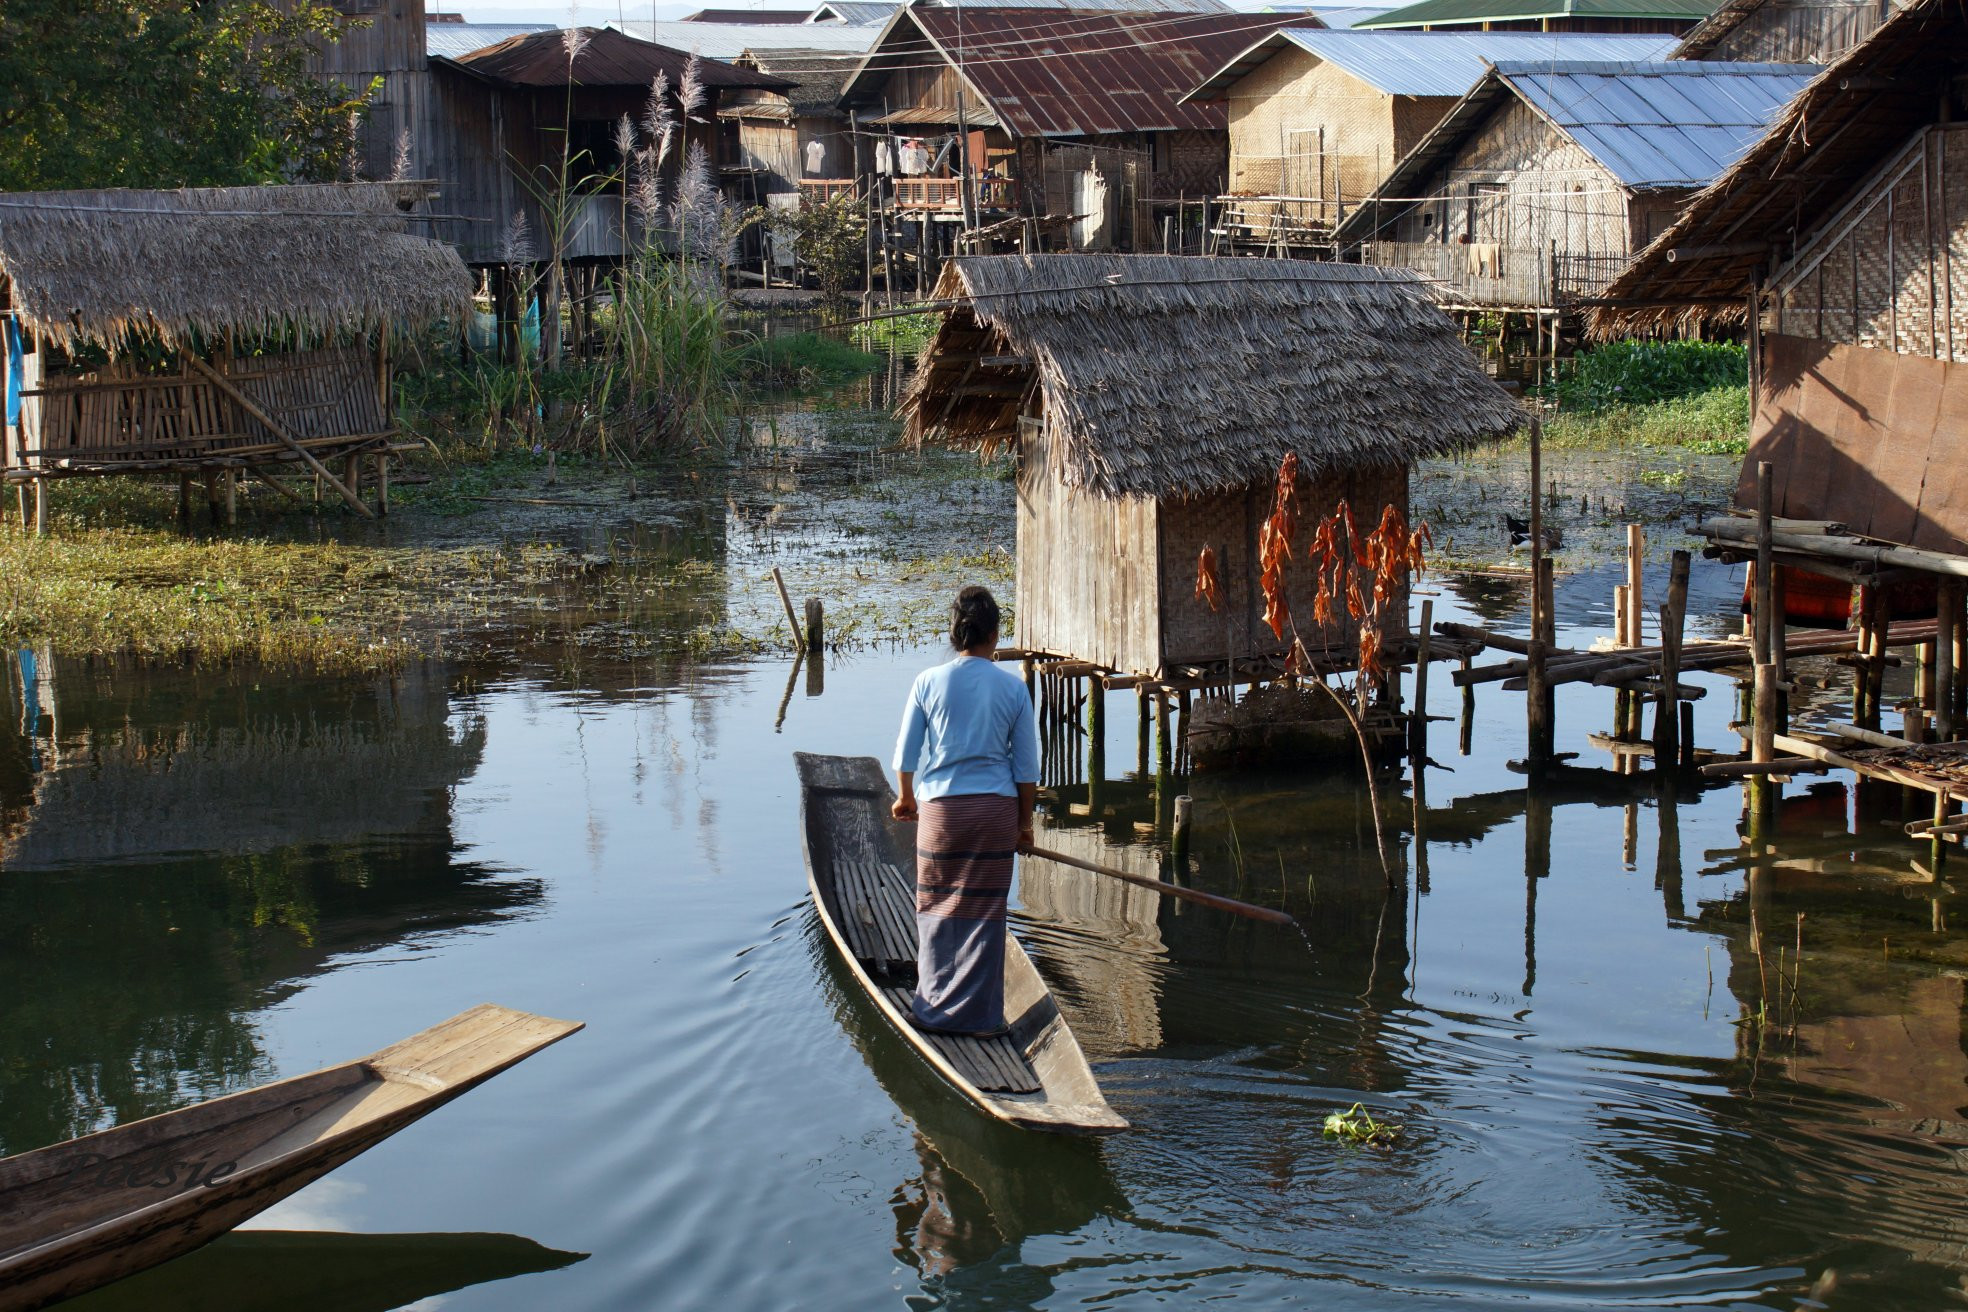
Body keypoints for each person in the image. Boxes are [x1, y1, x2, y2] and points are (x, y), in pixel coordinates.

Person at [891, 586, 1038, 1038]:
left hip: (942, 816)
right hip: (994, 813)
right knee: (986, 913)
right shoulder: (1013, 687)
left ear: (955, 635)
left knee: (936, 909)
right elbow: (1026, 770)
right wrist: (1023, 826)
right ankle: (981, 1020)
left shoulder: (927, 682)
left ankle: (933, 1011)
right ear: (994, 635)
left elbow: (906, 755)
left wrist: (906, 799)